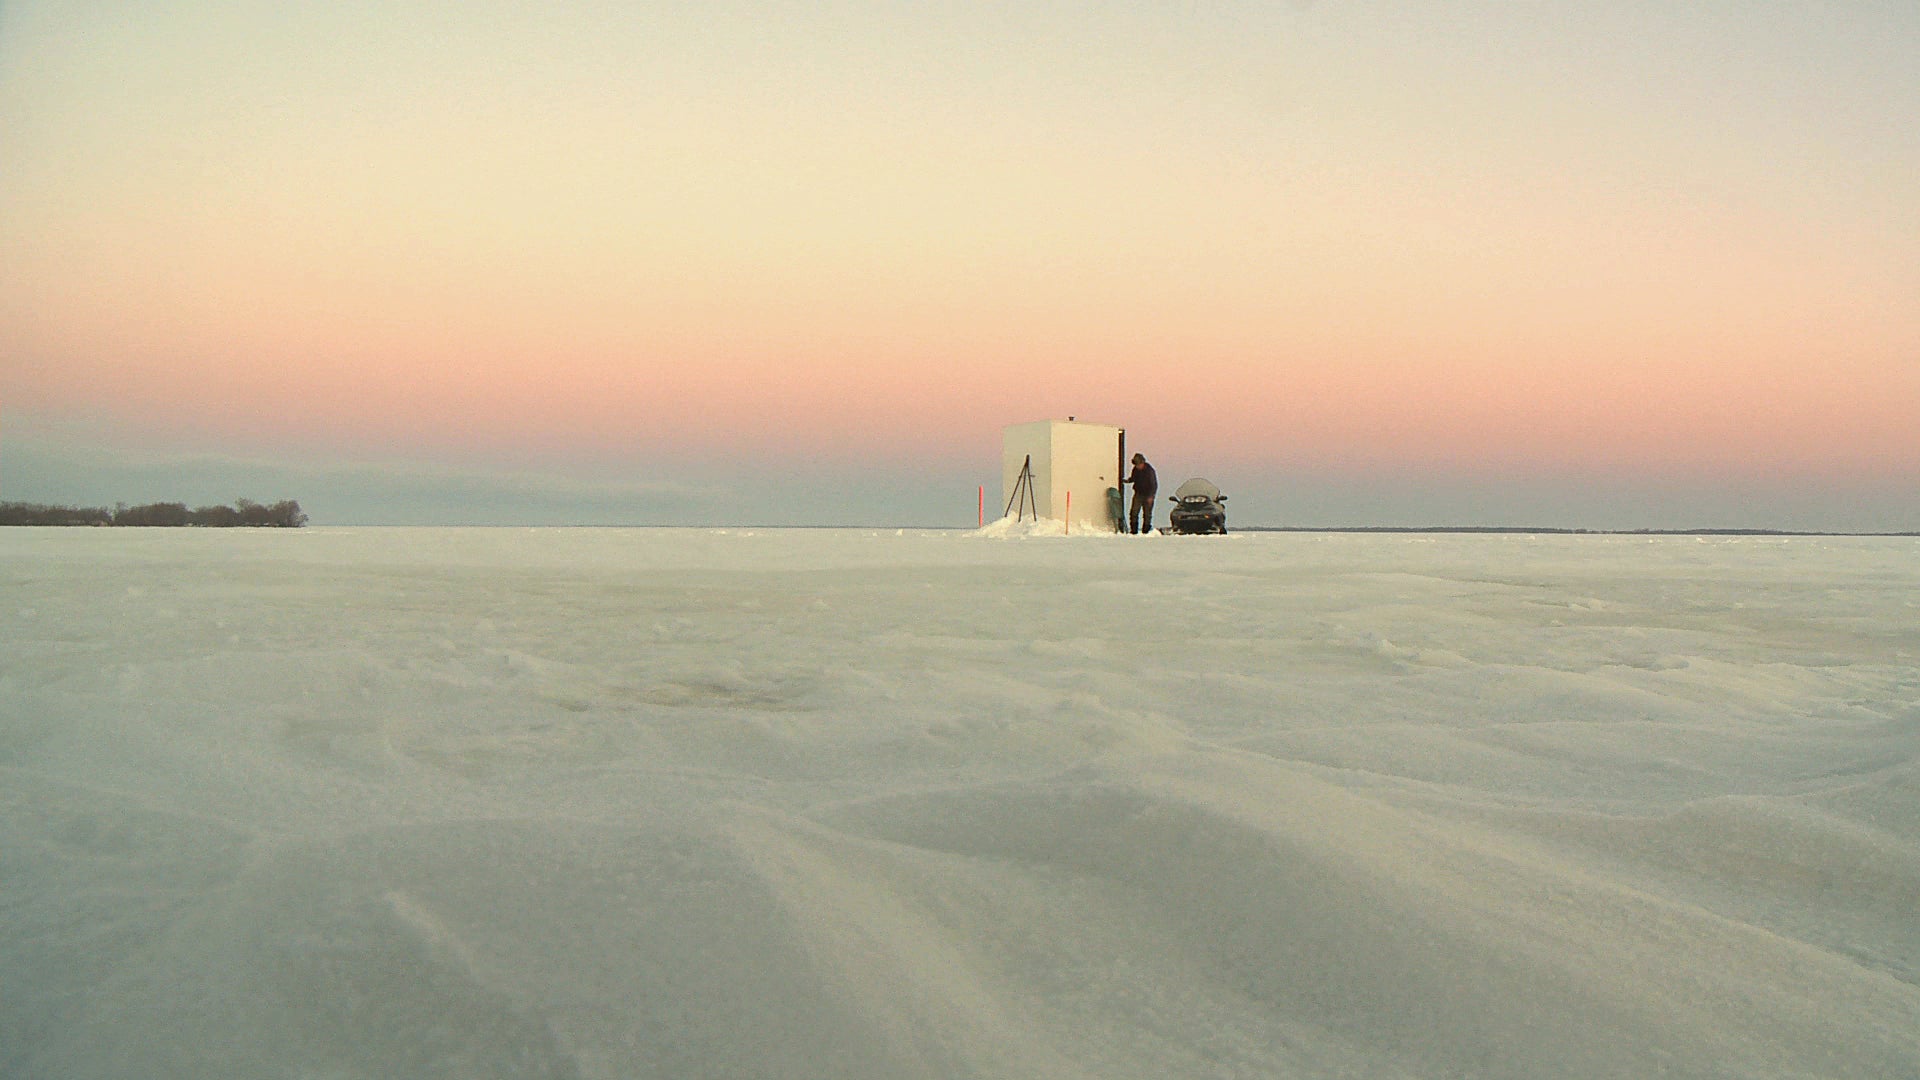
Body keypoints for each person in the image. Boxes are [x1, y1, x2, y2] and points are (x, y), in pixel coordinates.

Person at [1123, 452, 1158, 534]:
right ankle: (1134, 531)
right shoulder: (1135, 470)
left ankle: (1145, 531)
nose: (1137, 466)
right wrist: (1127, 481)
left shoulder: (1150, 471)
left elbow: (1154, 484)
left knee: (1147, 514)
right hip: (1138, 493)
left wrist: (1151, 496)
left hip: (1148, 495)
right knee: (1134, 512)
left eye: (1139, 464)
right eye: (1136, 465)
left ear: (1143, 463)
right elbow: (1133, 478)